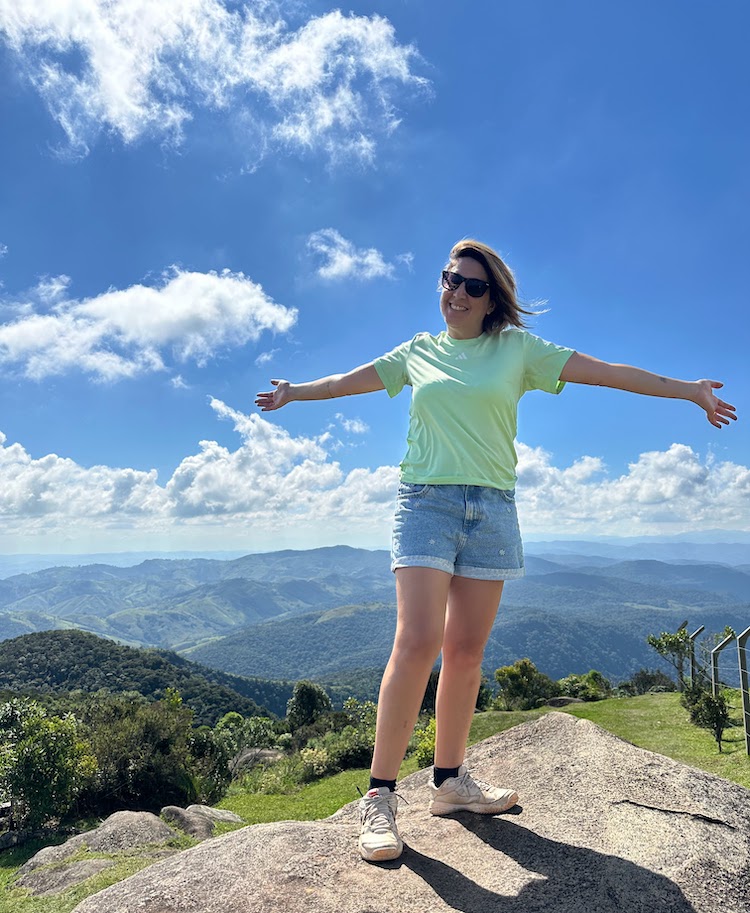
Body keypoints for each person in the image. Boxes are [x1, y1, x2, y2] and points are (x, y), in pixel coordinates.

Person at [255, 238, 737, 863]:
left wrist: (690, 390)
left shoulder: (518, 351)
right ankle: (378, 797)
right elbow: (351, 381)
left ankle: (450, 782)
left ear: (493, 301)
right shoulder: (419, 353)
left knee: (466, 651)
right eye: (449, 279)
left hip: (493, 509)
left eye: (471, 286)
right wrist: (296, 392)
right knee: (418, 640)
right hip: (425, 503)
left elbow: (610, 373)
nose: (454, 292)